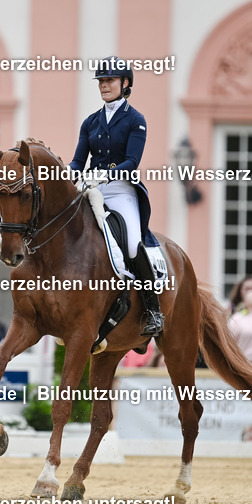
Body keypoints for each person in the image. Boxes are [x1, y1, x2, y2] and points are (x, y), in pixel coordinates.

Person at [70, 55, 162, 337]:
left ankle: (152, 310)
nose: (104, 85)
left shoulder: (136, 120)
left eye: (110, 80)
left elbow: (132, 161)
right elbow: (78, 161)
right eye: (101, 81)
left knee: (133, 245)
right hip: (92, 190)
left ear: (125, 84)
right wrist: (65, 172)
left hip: (121, 191)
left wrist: (106, 175)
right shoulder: (90, 122)